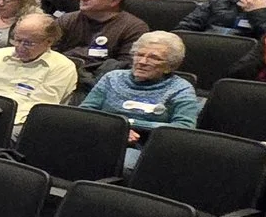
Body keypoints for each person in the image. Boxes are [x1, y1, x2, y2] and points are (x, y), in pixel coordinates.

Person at [82, 31, 201, 164]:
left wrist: (126, 125)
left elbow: (184, 128)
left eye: (154, 58)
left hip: (148, 148)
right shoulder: (112, 77)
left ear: (170, 66)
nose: (142, 62)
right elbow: (86, 112)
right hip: (102, 136)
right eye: (139, 55)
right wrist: (116, 130)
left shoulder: (181, 89)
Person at [0, 11, 78, 127]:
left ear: (48, 42)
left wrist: (2, 121)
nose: (20, 47)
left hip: (20, 123)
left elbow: (40, 109)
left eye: (28, 43)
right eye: (17, 40)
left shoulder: (62, 67)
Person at [57, 0, 150, 85]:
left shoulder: (134, 28)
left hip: (101, 82)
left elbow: (126, 66)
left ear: (114, 1)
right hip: (60, 74)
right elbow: (48, 51)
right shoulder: (67, 19)